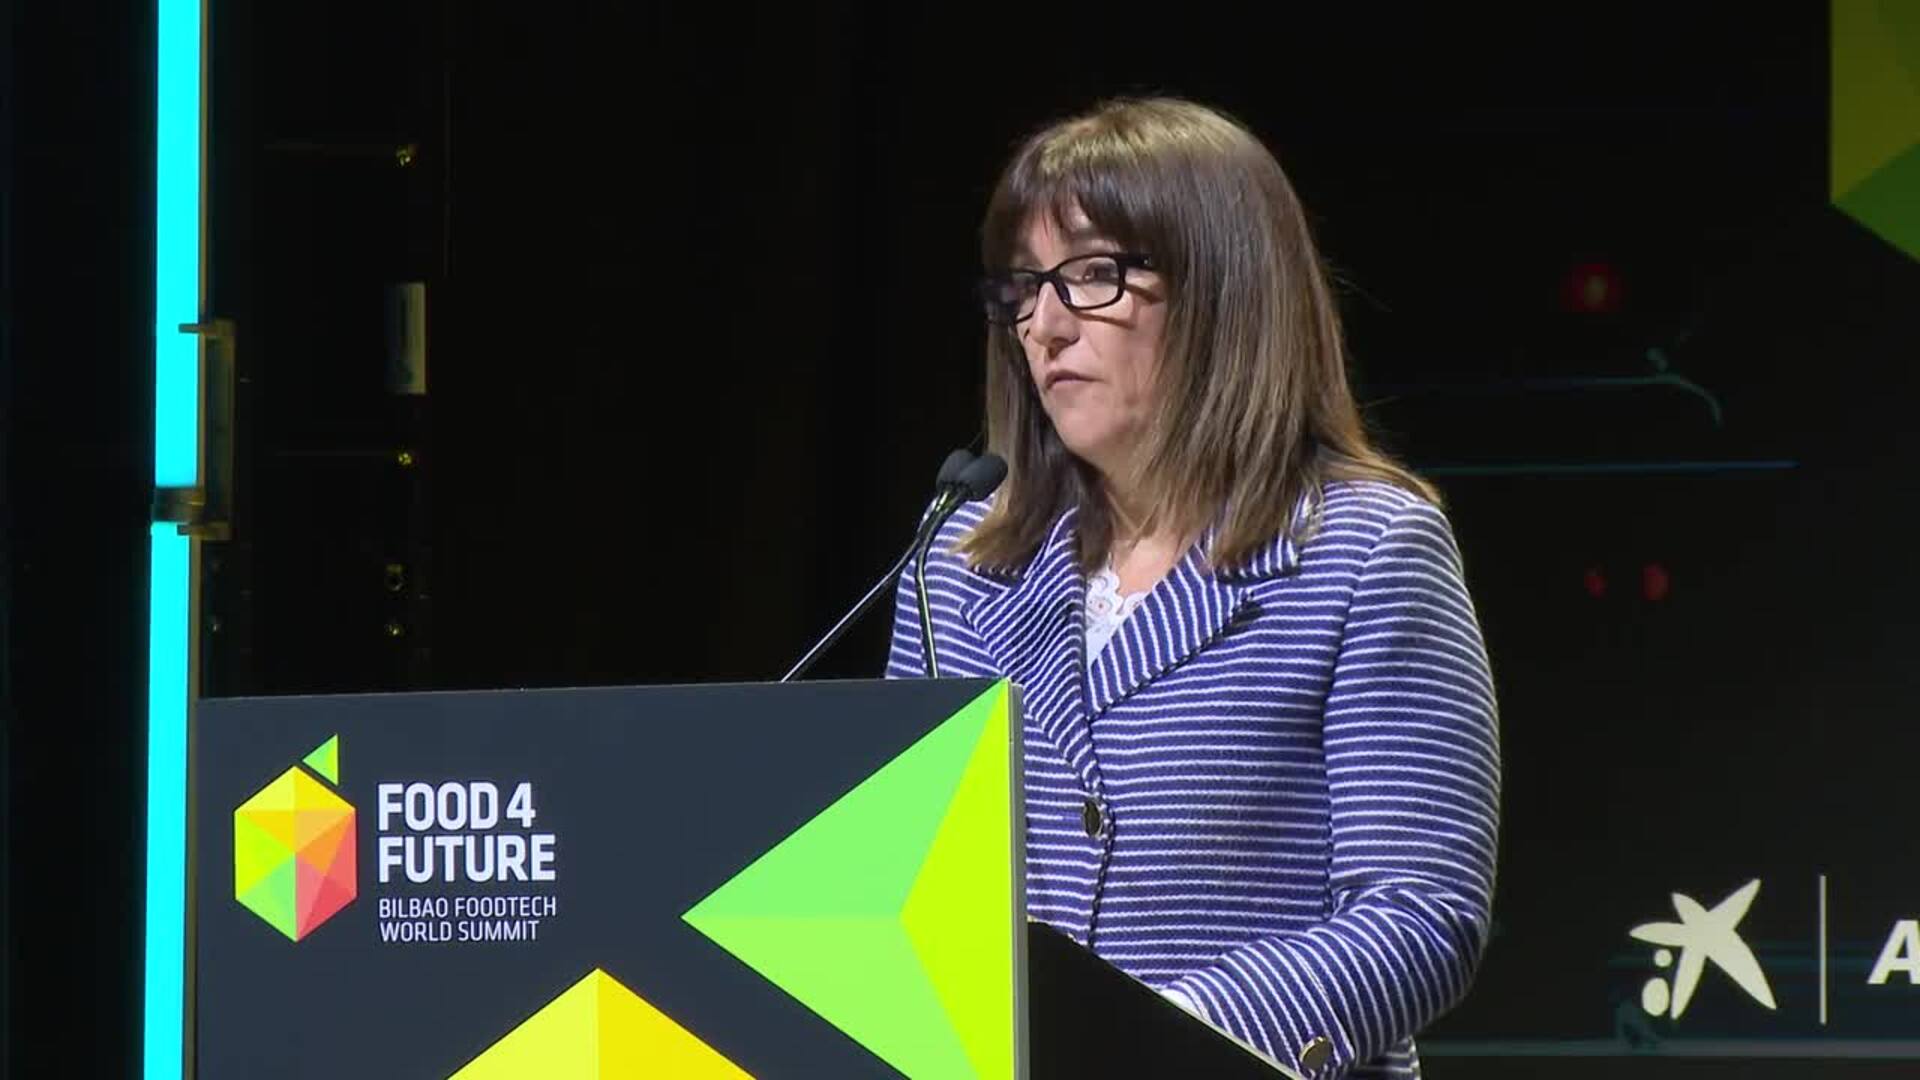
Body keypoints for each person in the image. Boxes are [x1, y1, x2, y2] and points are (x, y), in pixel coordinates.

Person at [886, 97, 1499, 1080]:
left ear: (1225, 293)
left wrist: (1157, 1038)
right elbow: (910, 893)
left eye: (1092, 275)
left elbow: (1418, 915)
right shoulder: (962, 560)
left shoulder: (1366, 550)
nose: (1044, 326)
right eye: (1025, 287)